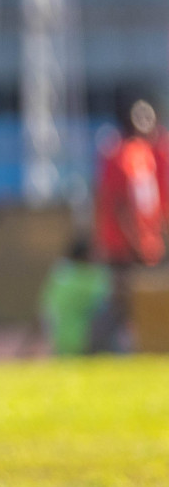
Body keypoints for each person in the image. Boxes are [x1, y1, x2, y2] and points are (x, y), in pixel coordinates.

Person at [92, 97, 165, 351]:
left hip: (144, 243)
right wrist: (136, 240)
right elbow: (119, 203)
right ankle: (94, 347)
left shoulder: (145, 153)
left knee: (137, 301)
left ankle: (131, 348)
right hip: (123, 245)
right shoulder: (120, 153)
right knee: (121, 300)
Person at [37, 236, 110, 356]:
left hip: (57, 340)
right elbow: (110, 293)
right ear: (85, 255)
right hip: (79, 341)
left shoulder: (59, 273)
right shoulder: (88, 278)